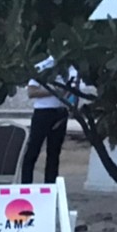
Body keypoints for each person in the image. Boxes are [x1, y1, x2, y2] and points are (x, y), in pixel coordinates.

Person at [21, 56, 75, 184]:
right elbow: (31, 92)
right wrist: (54, 92)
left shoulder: (71, 69)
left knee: (54, 153)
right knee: (33, 149)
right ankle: (26, 184)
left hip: (60, 111)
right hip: (43, 111)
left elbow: (72, 90)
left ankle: (51, 186)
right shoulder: (43, 66)